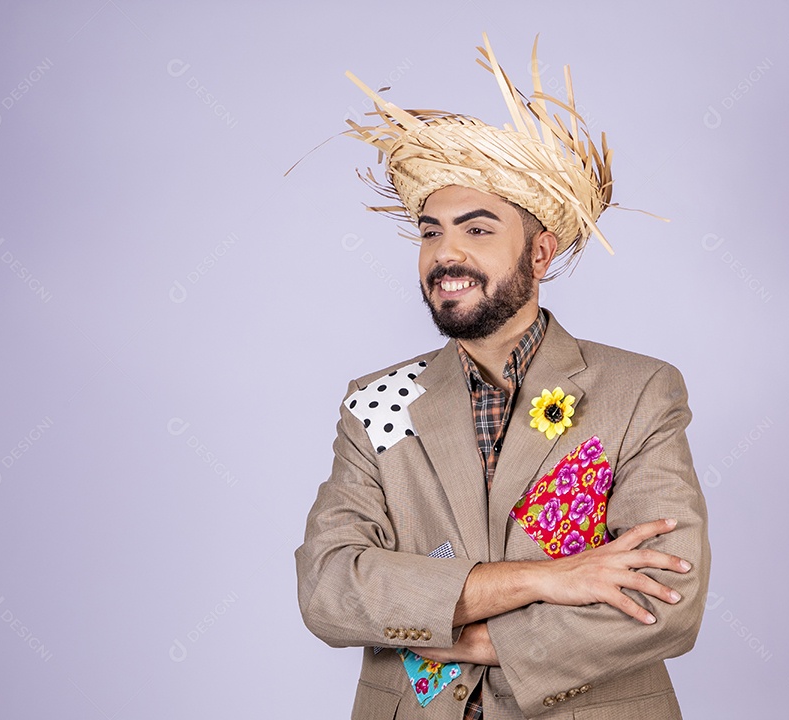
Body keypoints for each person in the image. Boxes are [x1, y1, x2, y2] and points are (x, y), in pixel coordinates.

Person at [295, 34, 710, 719]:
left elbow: (667, 600)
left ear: (540, 252)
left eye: (477, 230)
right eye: (431, 232)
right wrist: (551, 580)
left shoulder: (640, 392)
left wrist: (481, 639)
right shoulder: (376, 403)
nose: (445, 253)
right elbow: (330, 588)